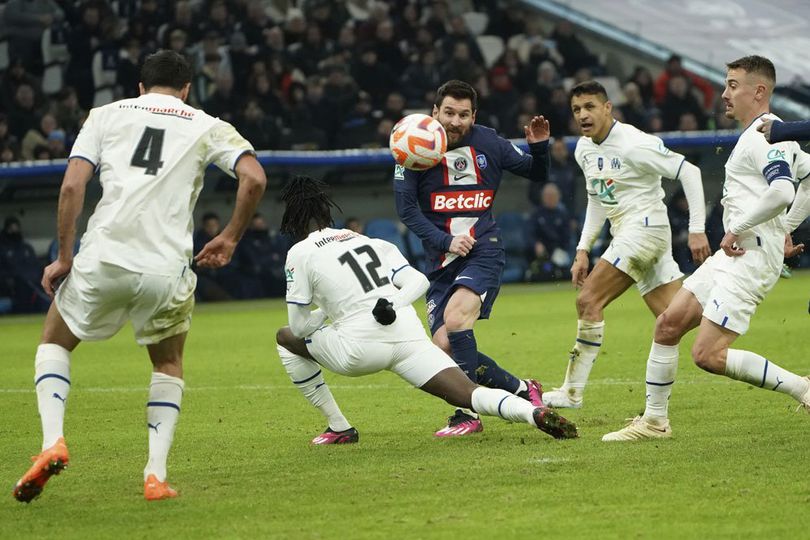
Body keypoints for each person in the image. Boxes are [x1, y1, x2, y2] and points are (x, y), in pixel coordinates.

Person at [12, 50, 267, 503]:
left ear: (140, 87)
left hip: (104, 257)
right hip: (165, 267)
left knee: (54, 341)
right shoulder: (206, 123)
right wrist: (228, 237)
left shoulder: (104, 115)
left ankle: (53, 440)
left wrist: (64, 256)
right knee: (166, 365)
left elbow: (72, 186)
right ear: (187, 89)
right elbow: (254, 178)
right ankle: (155, 476)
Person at [274, 176, 578, 444]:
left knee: (285, 338)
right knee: (468, 392)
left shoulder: (299, 253)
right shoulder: (367, 240)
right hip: (408, 336)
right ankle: (532, 412)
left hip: (358, 351)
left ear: (292, 220)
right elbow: (418, 280)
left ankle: (339, 427)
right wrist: (393, 303)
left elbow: (299, 328)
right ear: (328, 211)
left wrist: (325, 313)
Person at [602, 55, 810, 441]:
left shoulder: (770, 132)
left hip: (748, 256)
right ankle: (654, 422)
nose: (724, 93)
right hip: (737, 252)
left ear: (759, 91)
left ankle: (804, 388)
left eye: (733, 85)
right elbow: (808, 180)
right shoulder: (764, 134)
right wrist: (786, 229)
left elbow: (783, 191)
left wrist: (745, 228)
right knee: (667, 324)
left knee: (708, 355)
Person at [394, 79, 550, 436]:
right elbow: (407, 211)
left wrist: (539, 148)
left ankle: (467, 414)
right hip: (440, 260)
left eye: (463, 114)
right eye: (448, 112)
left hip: (483, 249)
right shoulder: (412, 145)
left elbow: (536, 172)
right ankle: (524, 390)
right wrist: (445, 241)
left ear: (473, 116)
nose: (455, 121)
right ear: (435, 112)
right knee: (443, 347)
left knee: (456, 318)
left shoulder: (489, 142)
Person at [542, 81, 711, 409]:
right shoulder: (584, 149)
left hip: (645, 231)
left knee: (588, 300)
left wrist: (697, 230)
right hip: (632, 237)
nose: (583, 115)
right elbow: (597, 199)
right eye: (577, 109)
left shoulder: (634, 143)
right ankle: (782, 373)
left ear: (608, 108)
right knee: (675, 320)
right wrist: (582, 248)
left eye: (590, 106)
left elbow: (689, 172)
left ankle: (571, 392)